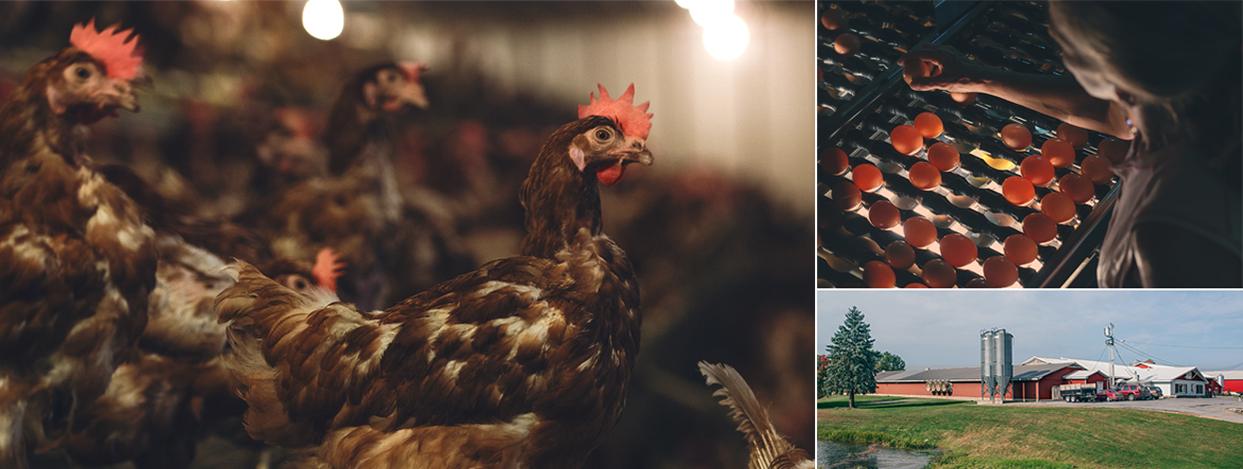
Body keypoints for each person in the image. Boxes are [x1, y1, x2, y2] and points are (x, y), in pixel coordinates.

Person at [898, 1, 1241, 287]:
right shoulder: (1194, 96)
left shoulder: (1169, 241)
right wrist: (978, 77)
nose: (1051, 33)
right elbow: (1111, 114)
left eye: (1065, 36)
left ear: (1112, 69)